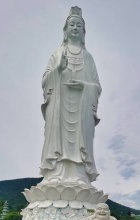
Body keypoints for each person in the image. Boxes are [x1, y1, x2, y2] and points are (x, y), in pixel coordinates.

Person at [40, 6, 101, 186]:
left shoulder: (88, 57)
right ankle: (54, 174)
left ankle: (80, 174)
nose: (75, 28)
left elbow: (97, 86)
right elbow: (44, 80)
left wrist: (85, 86)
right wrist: (58, 68)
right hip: (59, 103)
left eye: (78, 26)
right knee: (57, 137)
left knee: (81, 138)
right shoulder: (57, 53)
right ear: (65, 30)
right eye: (72, 25)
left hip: (81, 104)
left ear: (83, 32)